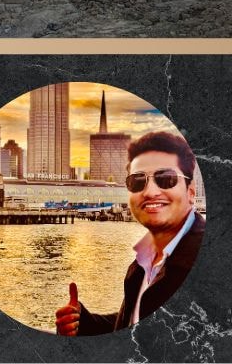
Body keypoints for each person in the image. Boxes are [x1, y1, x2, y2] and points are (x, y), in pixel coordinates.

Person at [56, 131, 205, 335]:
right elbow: (136, 323)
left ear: (191, 191)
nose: (150, 192)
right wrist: (83, 322)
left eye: (166, 179)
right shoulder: (142, 264)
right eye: (137, 181)